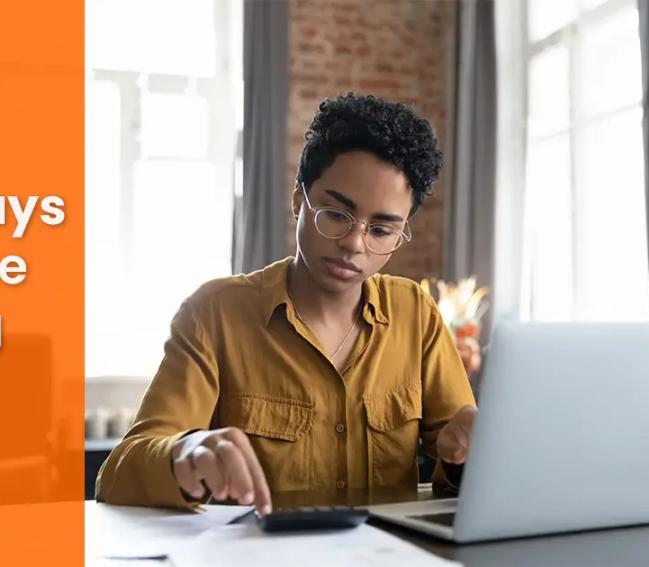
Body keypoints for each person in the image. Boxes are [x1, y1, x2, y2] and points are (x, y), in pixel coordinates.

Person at [95, 93, 476, 514]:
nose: (354, 243)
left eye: (382, 230)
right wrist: (184, 452)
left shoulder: (416, 315)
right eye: (335, 214)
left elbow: (456, 468)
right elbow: (118, 474)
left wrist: (468, 457)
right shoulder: (214, 314)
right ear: (299, 199)